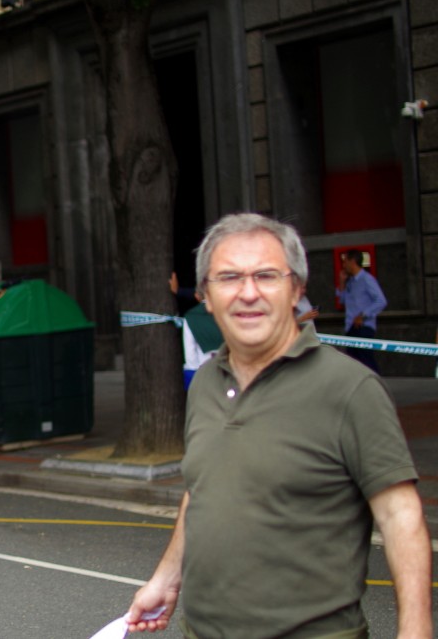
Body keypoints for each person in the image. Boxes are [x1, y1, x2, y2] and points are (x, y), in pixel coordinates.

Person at [127, 214, 431, 638]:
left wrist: (415, 632)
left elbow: (401, 517)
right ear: (206, 297)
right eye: (229, 277)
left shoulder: (350, 388)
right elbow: (202, 489)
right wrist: (166, 579)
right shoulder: (206, 384)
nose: (248, 293)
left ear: (297, 290)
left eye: (267, 275)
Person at [337, 248, 387, 373]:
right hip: (350, 327)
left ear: (352, 261)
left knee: (366, 361)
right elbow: (342, 301)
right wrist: (341, 283)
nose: (343, 265)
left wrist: (363, 315)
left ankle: (376, 387)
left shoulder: (367, 279)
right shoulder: (351, 282)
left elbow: (381, 301)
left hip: (363, 327)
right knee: (355, 363)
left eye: (345, 262)